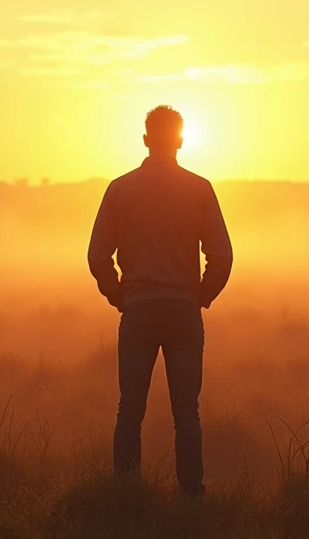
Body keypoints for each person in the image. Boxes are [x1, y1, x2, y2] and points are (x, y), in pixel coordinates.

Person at [87, 105, 233, 497]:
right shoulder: (199, 188)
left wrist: (119, 294)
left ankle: (126, 494)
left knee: (129, 411)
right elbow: (222, 257)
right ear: (181, 141)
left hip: (138, 310)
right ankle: (191, 497)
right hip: (184, 311)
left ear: (147, 139)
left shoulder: (120, 188)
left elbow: (98, 256)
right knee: (186, 413)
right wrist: (200, 296)